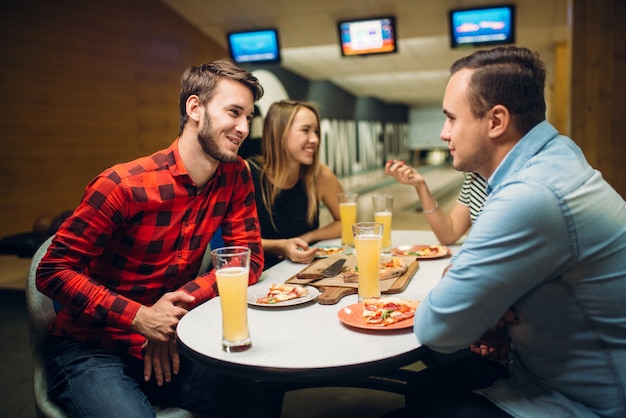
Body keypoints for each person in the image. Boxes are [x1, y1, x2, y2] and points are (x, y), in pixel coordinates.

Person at [389, 46, 626, 418]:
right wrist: (490, 307)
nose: (443, 132)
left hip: (584, 401)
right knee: (425, 386)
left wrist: (482, 306)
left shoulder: (532, 194)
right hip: (537, 366)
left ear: (496, 120)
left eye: (451, 119)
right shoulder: (556, 155)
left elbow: (436, 327)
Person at [36, 59, 273, 417]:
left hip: (173, 339)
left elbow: (249, 259)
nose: (243, 128)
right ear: (195, 108)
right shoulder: (123, 185)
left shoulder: (235, 174)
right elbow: (53, 271)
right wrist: (140, 318)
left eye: (249, 117)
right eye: (234, 112)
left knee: (260, 395)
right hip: (92, 347)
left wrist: (170, 315)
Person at [246, 100, 343, 269]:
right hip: (257, 273)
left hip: (302, 271)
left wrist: (308, 237)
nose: (315, 139)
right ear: (279, 133)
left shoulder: (319, 176)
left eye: (316, 131)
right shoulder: (248, 173)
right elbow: (236, 241)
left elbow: (347, 223)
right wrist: (281, 246)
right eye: (305, 130)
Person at [385, 161, 487, 244]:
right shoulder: (475, 179)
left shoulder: (502, 189)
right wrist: (420, 185)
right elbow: (449, 234)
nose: (444, 136)